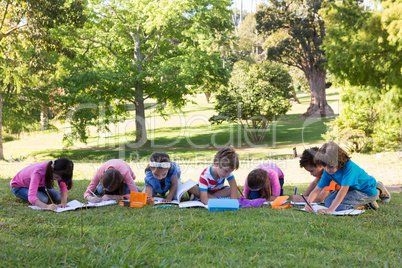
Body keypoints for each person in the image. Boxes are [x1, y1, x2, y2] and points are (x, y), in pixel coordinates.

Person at [305, 141, 391, 213]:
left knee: (339, 207)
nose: (327, 170)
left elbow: (343, 190)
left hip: (366, 191)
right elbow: (317, 189)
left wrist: (330, 210)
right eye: (324, 166)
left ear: (338, 161)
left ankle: (368, 203)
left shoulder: (349, 168)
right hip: (353, 190)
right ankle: (363, 202)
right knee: (327, 201)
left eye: (330, 167)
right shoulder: (328, 170)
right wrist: (308, 203)